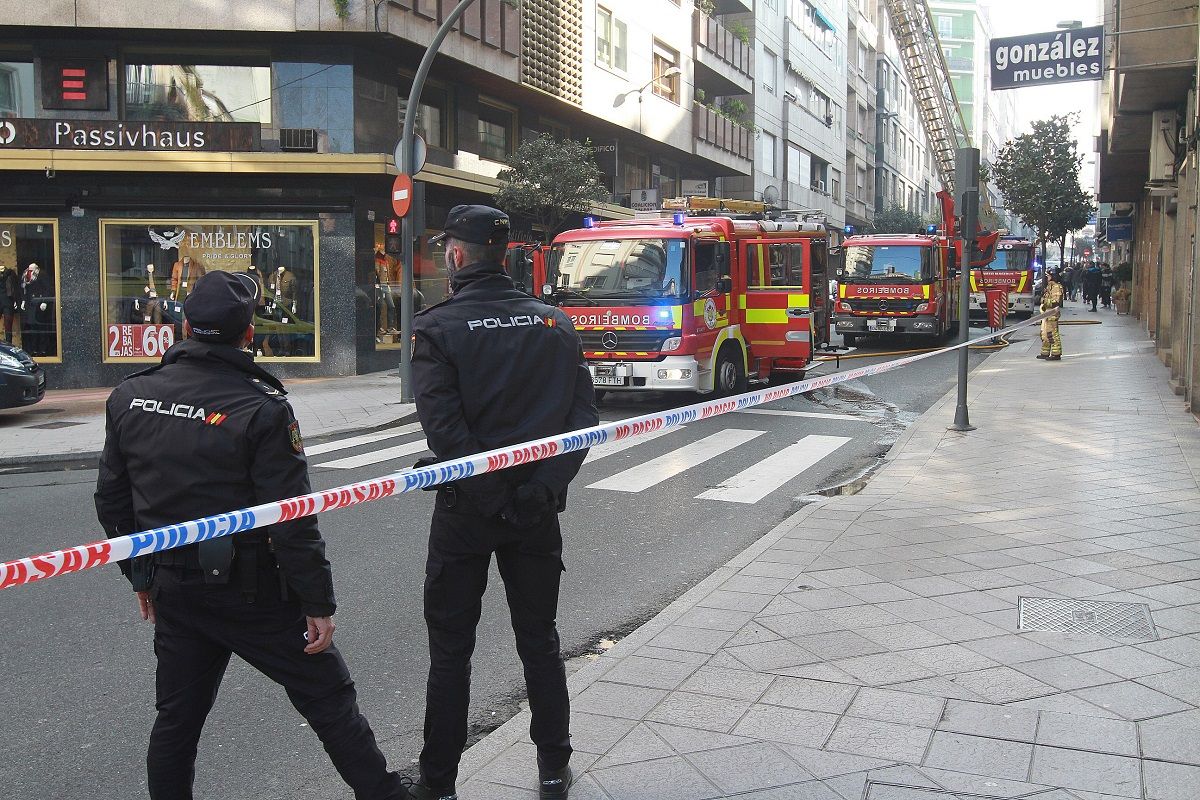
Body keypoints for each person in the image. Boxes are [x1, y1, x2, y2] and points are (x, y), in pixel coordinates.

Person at [94, 271, 408, 800]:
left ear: (186, 326)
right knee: (329, 698)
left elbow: (112, 502)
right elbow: (291, 517)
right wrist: (317, 600)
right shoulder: (261, 406)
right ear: (249, 334)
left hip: (175, 587)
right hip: (254, 592)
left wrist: (140, 575)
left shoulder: (132, 397)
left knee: (176, 723)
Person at [409, 205, 598, 800]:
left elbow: (446, 433)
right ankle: (552, 768)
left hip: (468, 511)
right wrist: (537, 492)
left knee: (452, 653)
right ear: (505, 253)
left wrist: (494, 496)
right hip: (536, 512)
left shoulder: (437, 327)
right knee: (539, 641)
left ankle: (438, 783)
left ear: (457, 256)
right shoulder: (554, 324)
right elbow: (582, 419)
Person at [1038, 268, 1065, 361]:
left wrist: (1043, 301)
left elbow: (1056, 301)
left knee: (1052, 334)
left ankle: (1056, 354)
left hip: (1052, 314)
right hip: (1046, 314)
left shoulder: (1057, 287)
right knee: (1044, 334)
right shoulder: (1050, 286)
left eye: (1048, 276)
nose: (1047, 277)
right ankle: (1045, 353)